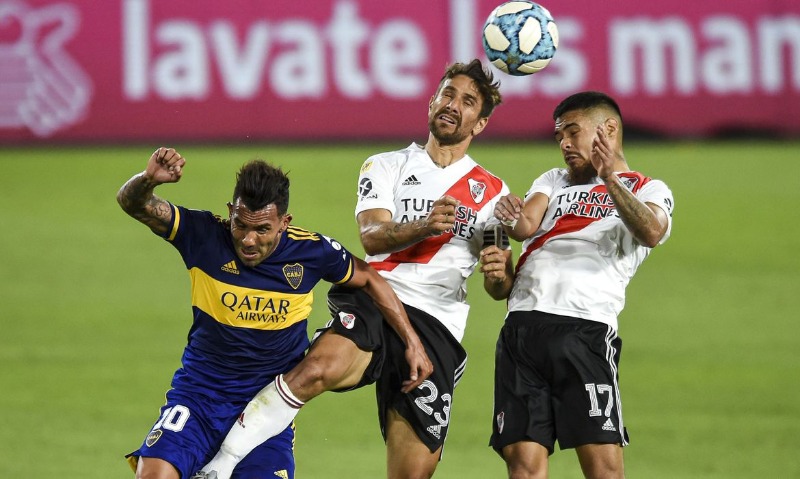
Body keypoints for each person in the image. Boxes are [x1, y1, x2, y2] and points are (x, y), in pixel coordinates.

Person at [194, 58, 515, 479]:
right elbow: (371, 236)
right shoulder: (384, 165)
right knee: (317, 369)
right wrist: (424, 225)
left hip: (437, 323)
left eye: (467, 102)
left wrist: (499, 272)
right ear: (432, 102)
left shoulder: (495, 192)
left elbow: (499, 283)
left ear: (481, 123)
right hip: (376, 298)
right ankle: (220, 466)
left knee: (411, 474)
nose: (453, 105)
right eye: (447, 94)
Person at [119, 147, 432, 479]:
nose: (248, 240)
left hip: (266, 411)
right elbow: (133, 203)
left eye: (262, 230)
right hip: (199, 399)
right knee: (153, 475)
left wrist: (412, 342)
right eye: (240, 225)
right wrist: (148, 179)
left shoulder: (311, 252)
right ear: (231, 212)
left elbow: (370, 279)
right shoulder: (203, 235)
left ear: (284, 223)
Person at [488, 91, 675, 479]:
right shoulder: (553, 180)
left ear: (609, 129)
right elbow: (525, 226)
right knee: (523, 468)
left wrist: (610, 179)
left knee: (604, 471)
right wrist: (508, 216)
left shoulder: (647, 188)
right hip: (522, 329)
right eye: (559, 136)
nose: (565, 144)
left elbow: (651, 232)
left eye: (573, 132)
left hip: (584, 331)